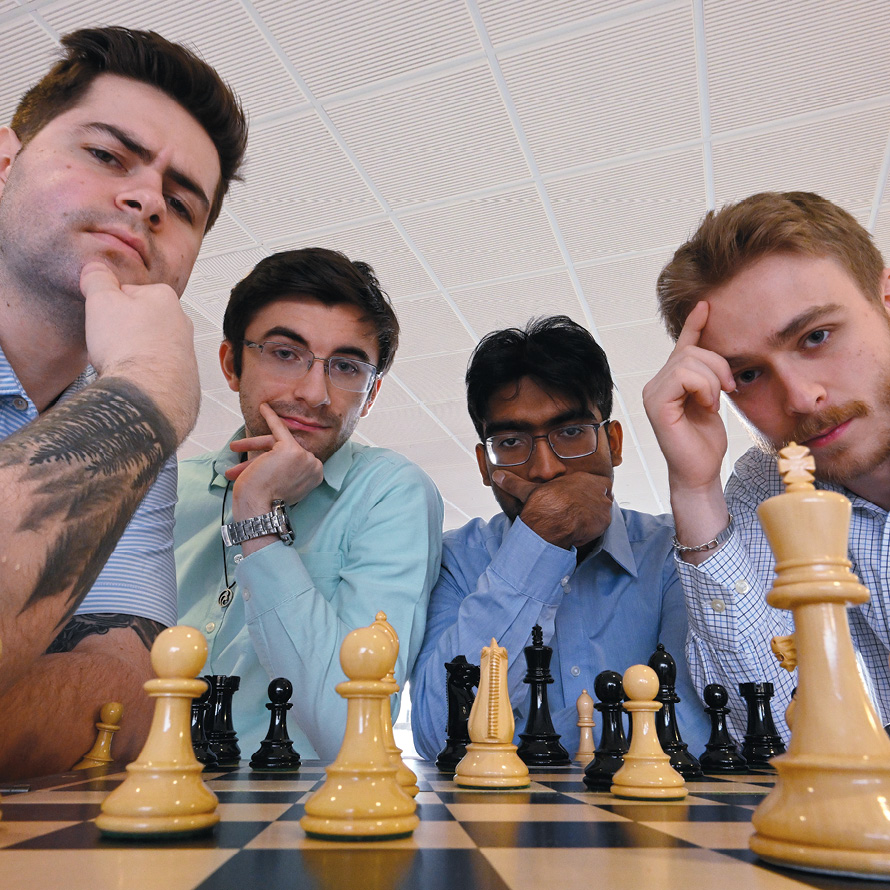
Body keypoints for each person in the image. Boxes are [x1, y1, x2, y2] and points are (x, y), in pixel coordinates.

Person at [0, 26, 247, 779]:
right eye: (107, 156)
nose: (146, 201)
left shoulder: (131, 442)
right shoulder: (136, 414)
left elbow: (137, 694)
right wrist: (143, 391)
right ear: (5, 161)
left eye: (183, 202)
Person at [175, 248, 443, 759]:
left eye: (345, 366)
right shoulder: (161, 491)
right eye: (284, 353)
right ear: (232, 364)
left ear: (369, 395)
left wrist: (257, 515)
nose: (315, 391)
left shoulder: (391, 493)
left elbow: (352, 733)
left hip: (298, 824)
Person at [643, 190, 890, 738]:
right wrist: (694, 490)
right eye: (749, 375)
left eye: (816, 337)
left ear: (886, 299)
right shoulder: (765, 484)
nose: (800, 398)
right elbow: (768, 726)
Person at [410, 316, 710, 760]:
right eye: (511, 442)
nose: (546, 468)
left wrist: (531, 741)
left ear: (614, 442)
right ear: (484, 465)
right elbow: (440, 738)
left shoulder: (675, 553)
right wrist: (539, 539)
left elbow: (695, 732)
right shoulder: (454, 560)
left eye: (571, 433)